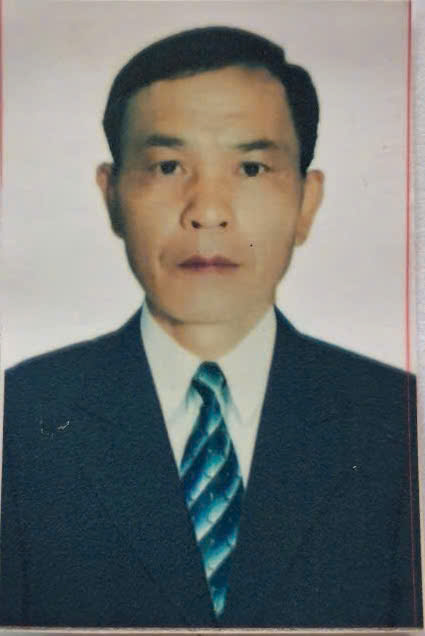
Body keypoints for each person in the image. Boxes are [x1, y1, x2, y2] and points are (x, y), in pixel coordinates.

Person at [0, 26, 422, 628]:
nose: (208, 211)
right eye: (168, 165)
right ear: (112, 195)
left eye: (251, 167)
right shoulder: (22, 413)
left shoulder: (398, 419)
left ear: (307, 202)